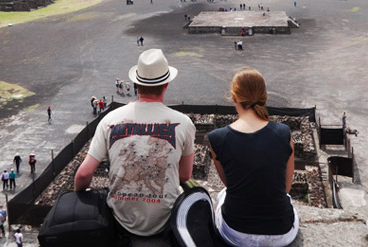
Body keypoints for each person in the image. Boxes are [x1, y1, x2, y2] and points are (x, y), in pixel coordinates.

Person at [74, 48, 196, 237]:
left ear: (136, 84)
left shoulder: (110, 120)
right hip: (165, 218)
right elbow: (185, 175)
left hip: (120, 219)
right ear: (166, 84)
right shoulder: (184, 123)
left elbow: (83, 173)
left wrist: (79, 196)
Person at [208, 68, 299, 247]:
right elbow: (286, 187)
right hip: (281, 233)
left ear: (234, 97)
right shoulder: (283, 133)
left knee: (223, 194)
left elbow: (230, 184)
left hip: (236, 233)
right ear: (264, 97)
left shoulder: (217, 138)